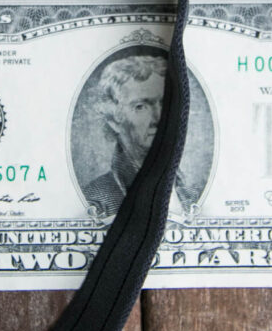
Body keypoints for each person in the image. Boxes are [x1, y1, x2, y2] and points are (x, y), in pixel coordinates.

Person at [83, 55, 196, 216]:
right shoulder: (96, 199)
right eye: (141, 106)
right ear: (114, 119)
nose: (159, 118)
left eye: (164, 103)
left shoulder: (191, 193)